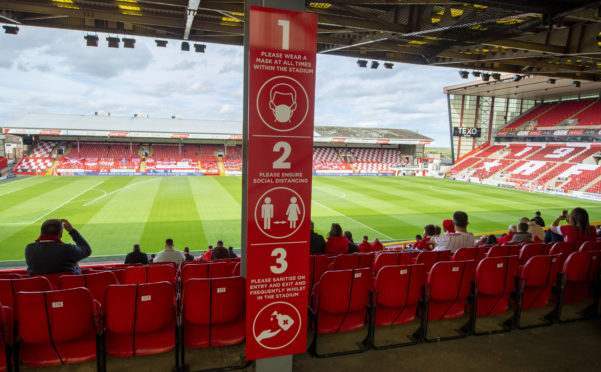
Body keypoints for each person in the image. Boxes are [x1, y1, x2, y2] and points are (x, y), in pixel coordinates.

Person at [25, 219, 91, 275]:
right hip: (68, 287)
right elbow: (87, 249)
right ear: (61, 234)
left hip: (39, 289)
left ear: (41, 232)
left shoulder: (29, 248)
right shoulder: (67, 249)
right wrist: (72, 230)